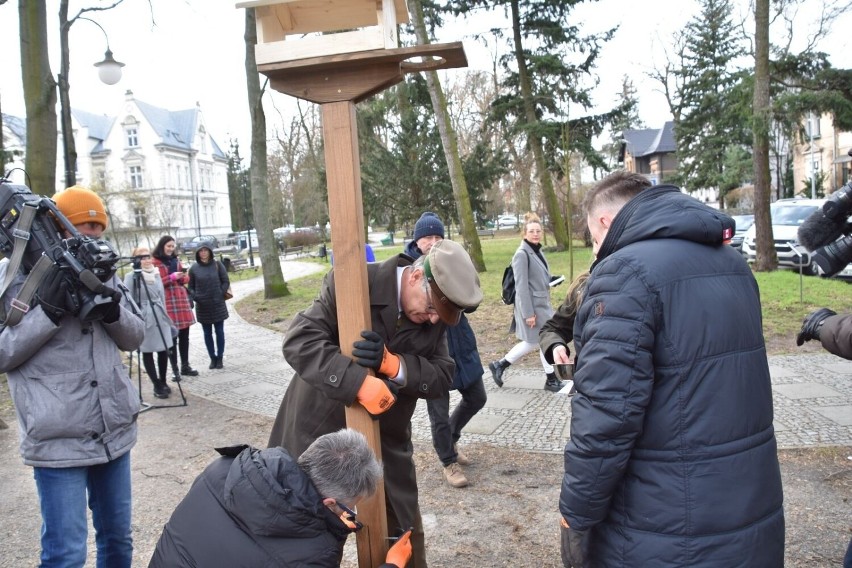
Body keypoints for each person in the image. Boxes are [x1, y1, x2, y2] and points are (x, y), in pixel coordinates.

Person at [559, 171, 784, 567]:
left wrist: (575, 516)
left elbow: (605, 418)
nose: (596, 253)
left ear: (606, 223)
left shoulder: (623, 273)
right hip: (748, 509)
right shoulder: (733, 264)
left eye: (594, 240)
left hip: (666, 525)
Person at [268, 238, 483, 567]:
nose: (432, 320)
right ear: (414, 276)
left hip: (386, 440)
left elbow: (443, 375)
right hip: (317, 433)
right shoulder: (354, 282)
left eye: (440, 316)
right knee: (301, 530)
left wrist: (393, 365)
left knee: (404, 533)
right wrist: (356, 383)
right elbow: (300, 340)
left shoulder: (433, 318)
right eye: (430, 309)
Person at [0, 185, 145, 567]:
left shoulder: (104, 269)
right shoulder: (13, 274)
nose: (91, 239)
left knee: (118, 541)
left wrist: (113, 311)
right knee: (66, 553)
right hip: (56, 438)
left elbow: (135, 337)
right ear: (54, 226)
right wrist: (46, 312)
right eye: (82, 229)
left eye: (98, 230)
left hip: (112, 430)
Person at [148, 428, 412, 568]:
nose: (349, 516)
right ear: (329, 503)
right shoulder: (314, 552)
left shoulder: (225, 467)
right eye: (349, 509)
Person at [404, 211, 486, 489]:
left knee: (477, 398)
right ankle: (448, 461)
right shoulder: (409, 268)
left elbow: (472, 303)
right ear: (417, 242)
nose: (433, 242)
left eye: (438, 236)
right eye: (428, 237)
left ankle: (452, 435)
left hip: (461, 345)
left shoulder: (450, 262)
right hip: (431, 351)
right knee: (437, 412)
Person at [489, 212, 566, 392]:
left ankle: (500, 365)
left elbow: (539, 277)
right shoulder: (522, 254)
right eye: (531, 231)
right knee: (541, 340)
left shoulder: (537, 251)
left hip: (542, 305)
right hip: (532, 307)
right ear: (524, 233)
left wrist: (552, 279)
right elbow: (522, 287)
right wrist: (528, 314)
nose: (535, 234)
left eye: (538, 231)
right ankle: (551, 379)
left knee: (535, 342)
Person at [124, 246, 178, 398]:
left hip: (159, 314)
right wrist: (136, 318)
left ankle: (163, 380)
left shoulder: (156, 273)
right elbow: (128, 300)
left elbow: (161, 295)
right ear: (136, 260)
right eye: (142, 257)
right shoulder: (131, 276)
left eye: (148, 256)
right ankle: (156, 384)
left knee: (164, 349)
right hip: (145, 316)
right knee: (147, 350)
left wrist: (165, 314)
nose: (146, 260)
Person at [152, 235, 198, 377]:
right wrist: (171, 278)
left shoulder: (175, 260)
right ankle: (175, 369)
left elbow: (185, 279)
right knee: (172, 337)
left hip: (180, 300)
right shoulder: (155, 263)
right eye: (168, 246)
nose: (171, 249)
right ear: (162, 246)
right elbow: (156, 283)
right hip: (167, 301)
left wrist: (183, 276)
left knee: (185, 335)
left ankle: (185, 366)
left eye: (173, 246)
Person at [538, 271, 590, 395]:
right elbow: (553, 328)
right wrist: (556, 345)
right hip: (588, 389)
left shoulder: (642, 283)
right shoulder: (584, 285)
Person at [188, 240, 230, 369]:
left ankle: (220, 357)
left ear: (210, 251)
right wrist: (196, 297)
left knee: (219, 332)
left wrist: (220, 293)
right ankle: (212, 357)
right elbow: (191, 287)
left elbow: (225, 281)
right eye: (201, 251)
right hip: (203, 305)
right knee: (207, 333)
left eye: (205, 250)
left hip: (217, 304)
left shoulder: (217, 264)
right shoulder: (194, 268)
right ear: (198, 253)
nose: (203, 253)